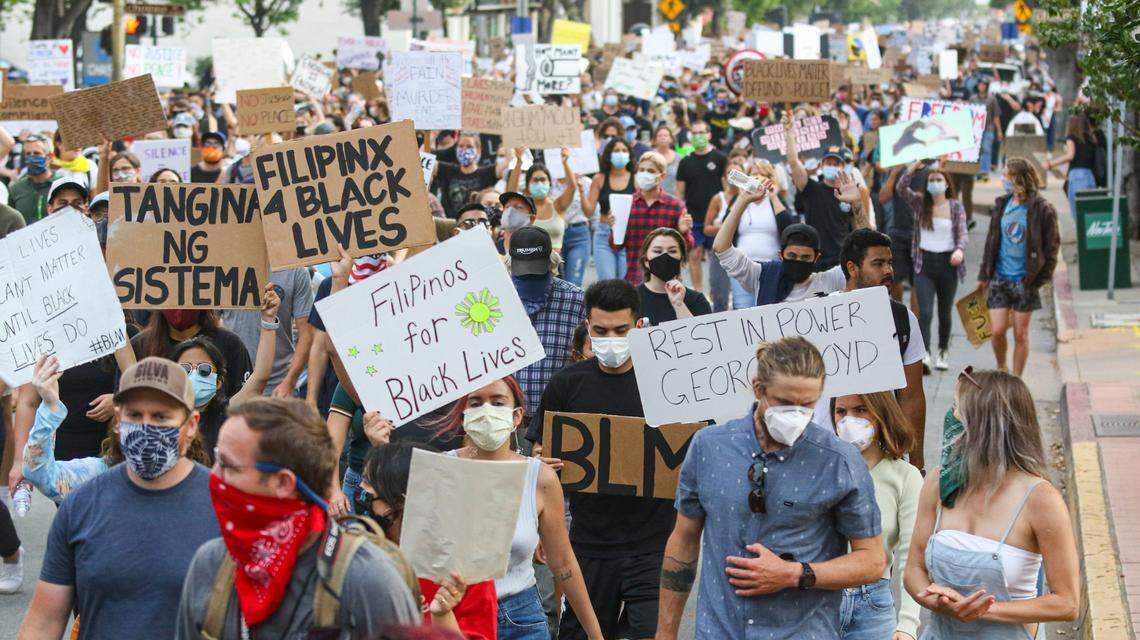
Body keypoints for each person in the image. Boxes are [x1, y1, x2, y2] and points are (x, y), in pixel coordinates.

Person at [657, 337, 886, 639]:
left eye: (807, 405)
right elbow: (684, 540)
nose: (796, 414)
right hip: (720, 631)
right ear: (758, 389)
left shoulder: (839, 461)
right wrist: (666, 632)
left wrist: (795, 574)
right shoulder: (708, 446)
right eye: (785, 403)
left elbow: (872, 560)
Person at [176, 398, 421, 638]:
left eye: (228, 466)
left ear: (283, 483)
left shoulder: (366, 580)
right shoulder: (212, 564)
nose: (214, 477)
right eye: (217, 460)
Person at [19, 358, 220, 639]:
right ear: (118, 420)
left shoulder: (225, 504)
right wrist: (50, 407)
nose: (146, 426)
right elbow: (43, 623)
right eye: (135, 416)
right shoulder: (83, 502)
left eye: (161, 416)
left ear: (190, 424)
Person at [526, 279, 675, 640]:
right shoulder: (566, 384)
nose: (611, 338)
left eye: (621, 330)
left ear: (639, 326)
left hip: (653, 545)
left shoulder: (668, 381)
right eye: (601, 330)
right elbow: (537, 451)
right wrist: (544, 462)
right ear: (588, 328)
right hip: (589, 544)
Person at [904, 369, 1080, 638]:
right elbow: (913, 569)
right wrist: (930, 599)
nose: (951, 419)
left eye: (958, 410)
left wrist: (983, 610)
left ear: (984, 426)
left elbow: (1067, 603)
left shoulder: (1041, 500)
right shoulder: (940, 482)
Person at [435, 377, 605, 640]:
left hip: (521, 618)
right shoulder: (440, 472)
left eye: (498, 402)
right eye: (476, 403)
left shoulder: (540, 478)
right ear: (463, 415)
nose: (487, 411)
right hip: (454, 617)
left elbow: (562, 561)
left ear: (517, 416)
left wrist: (595, 634)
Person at [830, 229, 928, 468]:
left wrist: (915, 463)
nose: (888, 271)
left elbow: (912, 396)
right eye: (878, 263)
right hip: (826, 454)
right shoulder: (820, 315)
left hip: (881, 455)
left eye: (890, 263)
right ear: (852, 268)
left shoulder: (903, 319)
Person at [830, 392, 923, 640]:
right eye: (841, 411)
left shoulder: (906, 477)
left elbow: (912, 554)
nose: (848, 420)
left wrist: (908, 624)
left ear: (881, 414)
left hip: (873, 606)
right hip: (821, 600)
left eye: (861, 410)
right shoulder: (820, 471)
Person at [173, 285, 281, 453]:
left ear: (218, 382)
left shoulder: (225, 413)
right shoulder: (162, 417)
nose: (193, 375)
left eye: (203, 371)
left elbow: (260, 376)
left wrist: (268, 321)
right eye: (185, 369)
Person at [977, 158, 1059, 377]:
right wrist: (984, 274)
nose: (1002, 178)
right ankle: (1002, 367)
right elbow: (991, 241)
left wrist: (1038, 280)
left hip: (1025, 280)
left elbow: (1052, 249)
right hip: (1000, 277)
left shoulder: (1041, 209)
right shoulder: (1002, 204)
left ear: (1019, 178)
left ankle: (1016, 378)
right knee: (997, 330)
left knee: (1021, 335)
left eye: (1006, 174)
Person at [509, 226, 585, 430]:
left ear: (551, 262)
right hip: (506, 416)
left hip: (558, 413)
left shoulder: (576, 299)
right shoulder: (494, 297)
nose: (530, 277)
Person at [715, 188, 844, 306]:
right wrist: (742, 201)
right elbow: (721, 248)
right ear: (781, 255)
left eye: (805, 257)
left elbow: (861, 257)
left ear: (816, 258)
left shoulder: (828, 281)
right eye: (792, 256)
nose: (798, 261)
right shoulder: (762, 277)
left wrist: (858, 207)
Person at [898, 161, 968, 371]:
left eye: (939, 180)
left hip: (948, 264)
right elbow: (901, 188)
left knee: (944, 311)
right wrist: (913, 168)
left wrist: (960, 250)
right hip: (924, 264)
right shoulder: (920, 203)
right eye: (931, 180)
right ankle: (925, 353)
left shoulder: (955, 207)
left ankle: (943, 350)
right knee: (925, 312)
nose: (935, 183)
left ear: (947, 184)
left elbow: (963, 233)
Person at [788, 116, 869, 269]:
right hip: (816, 259)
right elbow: (793, 162)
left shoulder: (850, 193)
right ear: (822, 165)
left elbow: (859, 228)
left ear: (843, 166)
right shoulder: (811, 188)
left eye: (836, 163)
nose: (832, 166)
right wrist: (789, 133)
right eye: (828, 163)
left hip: (842, 260)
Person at [221, 267, 314, 399]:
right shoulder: (223, 267)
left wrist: (289, 382)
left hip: (277, 386)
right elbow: (213, 324)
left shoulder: (295, 271)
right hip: (233, 383)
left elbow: (307, 335)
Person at [133, 309, 253, 401]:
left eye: (204, 370)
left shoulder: (230, 343)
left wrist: (268, 324)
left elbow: (248, 396)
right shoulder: (140, 345)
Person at [621, 151, 694, 285]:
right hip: (634, 278)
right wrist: (615, 227)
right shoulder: (627, 204)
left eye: (650, 171)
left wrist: (683, 231)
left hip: (666, 281)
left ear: (661, 176)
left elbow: (687, 246)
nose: (644, 174)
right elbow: (616, 245)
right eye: (641, 170)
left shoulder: (675, 205)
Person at [676, 120, 728, 294]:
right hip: (694, 217)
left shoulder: (720, 158)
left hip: (716, 219)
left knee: (719, 257)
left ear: (709, 135)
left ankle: (717, 292)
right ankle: (699, 292)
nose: (698, 136)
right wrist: (681, 214)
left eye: (701, 132)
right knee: (694, 255)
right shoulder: (685, 162)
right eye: (695, 133)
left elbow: (726, 188)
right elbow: (680, 193)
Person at [582, 138, 634, 281]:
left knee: (628, 284)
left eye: (624, 150)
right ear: (609, 154)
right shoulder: (599, 179)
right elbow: (588, 212)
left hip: (629, 236)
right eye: (616, 150)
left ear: (629, 155)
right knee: (608, 283)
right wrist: (581, 192)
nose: (621, 153)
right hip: (604, 235)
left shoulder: (635, 179)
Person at [507, 151, 577, 255]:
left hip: (553, 266)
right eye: (535, 180)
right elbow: (510, 194)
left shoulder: (558, 205)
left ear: (549, 183)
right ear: (527, 185)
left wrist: (565, 163)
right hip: (528, 265)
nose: (539, 183)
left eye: (543, 180)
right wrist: (519, 162)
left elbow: (572, 188)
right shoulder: (523, 208)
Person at [637, 227, 711, 324]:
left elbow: (704, 336)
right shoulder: (632, 297)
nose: (665, 256)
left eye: (672, 251)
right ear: (646, 261)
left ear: (682, 260)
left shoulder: (697, 300)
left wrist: (679, 304)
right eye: (657, 251)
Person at [701, 153, 745, 312]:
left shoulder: (750, 197)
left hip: (743, 252)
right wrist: (728, 228)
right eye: (730, 174)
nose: (733, 177)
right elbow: (706, 228)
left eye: (737, 174)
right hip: (720, 252)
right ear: (724, 177)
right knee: (719, 296)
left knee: (742, 298)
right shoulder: (718, 199)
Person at [1042, 113, 1099, 220]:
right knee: (1088, 212)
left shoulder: (1072, 137)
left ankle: (1080, 235)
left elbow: (1070, 155)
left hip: (1077, 176)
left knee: (1078, 213)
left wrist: (1050, 163)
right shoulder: (1092, 138)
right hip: (1090, 176)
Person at [431, 132, 499, 218]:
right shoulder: (447, 170)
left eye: (469, 146)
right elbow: (423, 160)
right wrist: (433, 135)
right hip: (449, 224)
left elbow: (507, 164)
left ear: (478, 150)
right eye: (461, 146)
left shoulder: (487, 173)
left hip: (476, 224)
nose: (464, 149)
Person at [9, 134, 56, 225]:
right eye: (28, 154)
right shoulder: (16, 189)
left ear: (49, 157)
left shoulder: (62, 185)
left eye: (36, 153)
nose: (31, 157)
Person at [651, 126, 681, 195]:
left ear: (671, 139)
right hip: (654, 197)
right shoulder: (649, 156)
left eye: (666, 135)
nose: (663, 137)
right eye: (660, 135)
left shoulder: (678, 158)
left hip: (673, 198)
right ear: (655, 139)